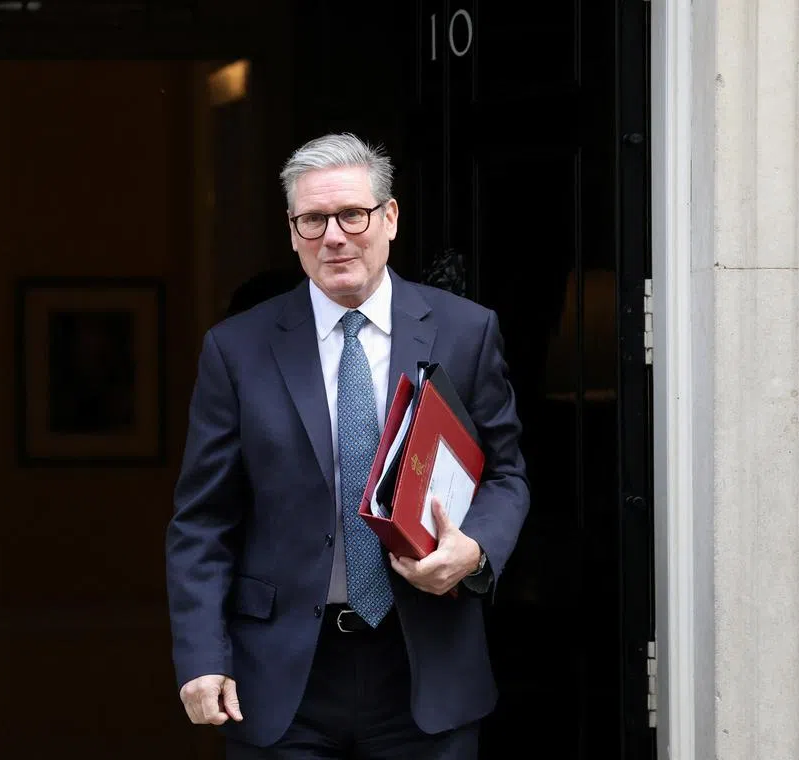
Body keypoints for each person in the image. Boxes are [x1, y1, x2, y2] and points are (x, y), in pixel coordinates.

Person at [165, 132, 531, 759]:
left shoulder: (465, 332)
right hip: (281, 681)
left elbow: (506, 475)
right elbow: (203, 520)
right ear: (292, 231)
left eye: (351, 215)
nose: (333, 236)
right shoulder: (237, 349)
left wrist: (474, 550)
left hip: (425, 669)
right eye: (312, 219)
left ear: (389, 217)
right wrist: (201, 656)